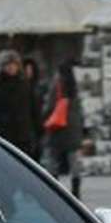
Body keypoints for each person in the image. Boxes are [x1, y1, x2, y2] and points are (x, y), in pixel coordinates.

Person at [0, 50, 35, 156]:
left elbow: (32, 109)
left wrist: (35, 131)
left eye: (14, 64)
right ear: (2, 67)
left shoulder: (24, 84)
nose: (11, 67)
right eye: (8, 64)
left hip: (22, 135)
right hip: (1, 134)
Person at [42, 60, 85, 200]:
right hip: (73, 132)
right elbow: (80, 112)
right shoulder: (75, 89)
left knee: (53, 162)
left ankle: (54, 191)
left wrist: (44, 118)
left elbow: (49, 107)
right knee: (74, 163)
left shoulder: (57, 86)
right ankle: (76, 191)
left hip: (58, 128)